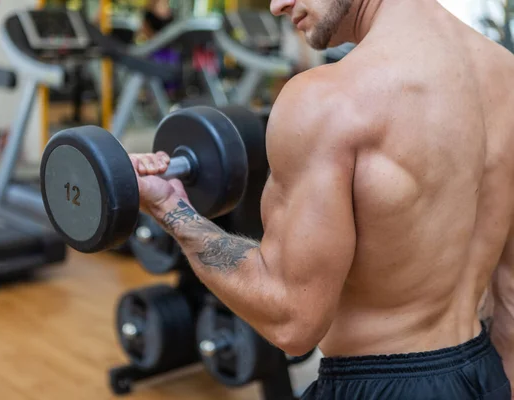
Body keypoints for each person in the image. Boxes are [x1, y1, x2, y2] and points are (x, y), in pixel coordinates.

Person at [129, 0, 514, 398]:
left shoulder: (327, 100)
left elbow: (291, 320)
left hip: (377, 386)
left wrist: (171, 209)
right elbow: (510, 299)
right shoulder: (506, 74)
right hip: (486, 374)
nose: (278, 5)